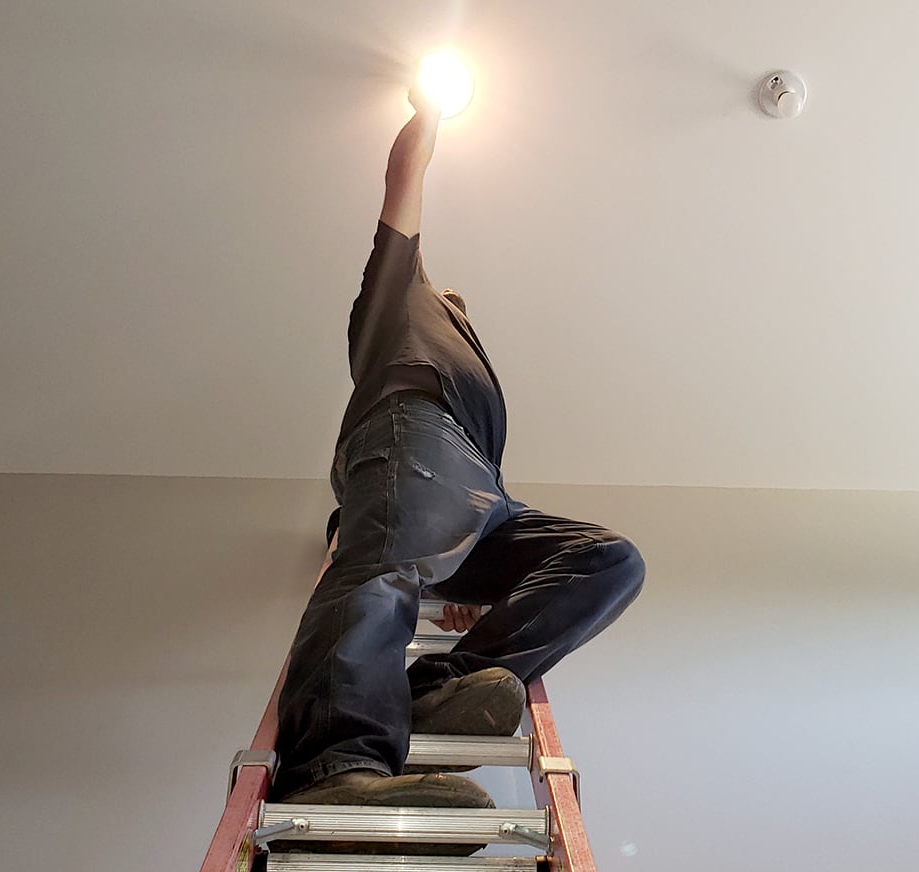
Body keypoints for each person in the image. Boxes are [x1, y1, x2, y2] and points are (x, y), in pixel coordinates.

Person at [272, 90, 645, 840]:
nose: (455, 303)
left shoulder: (462, 348)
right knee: (380, 571)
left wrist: (473, 570)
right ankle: (333, 765)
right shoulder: (397, 295)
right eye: (450, 299)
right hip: (417, 440)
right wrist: (431, 110)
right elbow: (401, 182)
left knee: (608, 560)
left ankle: (438, 685)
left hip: (478, 489)